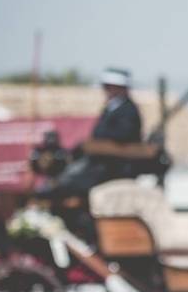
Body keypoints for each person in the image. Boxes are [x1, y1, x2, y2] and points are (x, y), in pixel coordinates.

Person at [36, 67, 143, 198]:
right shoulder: (111, 108)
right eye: (106, 86)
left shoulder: (128, 109)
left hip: (113, 165)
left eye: (110, 87)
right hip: (100, 160)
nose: (107, 90)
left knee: (74, 182)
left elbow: (123, 135)